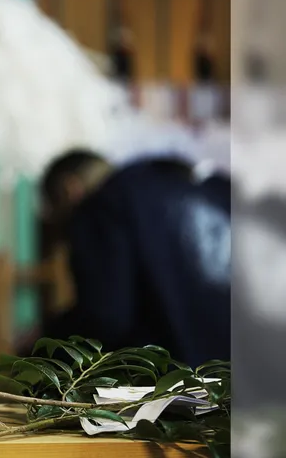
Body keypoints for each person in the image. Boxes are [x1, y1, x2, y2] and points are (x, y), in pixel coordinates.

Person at [38, 149, 230, 367]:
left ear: (69, 189)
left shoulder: (104, 204)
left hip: (177, 377)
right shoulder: (197, 187)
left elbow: (105, 320)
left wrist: (46, 344)